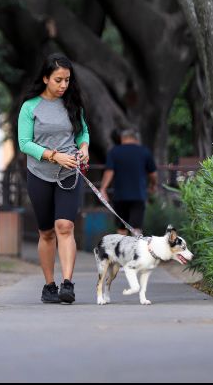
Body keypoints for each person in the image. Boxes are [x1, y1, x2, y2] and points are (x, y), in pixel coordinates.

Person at [17, 53, 90, 304]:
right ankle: (49, 285)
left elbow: (83, 133)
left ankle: (67, 283)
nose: (63, 86)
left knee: (65, 226)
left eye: (67, 80)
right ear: (46, 78)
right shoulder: (30, 107)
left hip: (70, 173)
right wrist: (54, 156)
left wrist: (84, 149)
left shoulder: (73, 103)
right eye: (58, 80)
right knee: (46, 232)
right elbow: (24, 143)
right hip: (39, 175)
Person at [99, 127, 157, 236]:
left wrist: (103, 188)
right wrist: (153, 185)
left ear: (122, 138)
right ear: (136, 139)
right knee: (136, 229)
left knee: (121, 229)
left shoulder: (114, 151)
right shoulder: (144, 151)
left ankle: (121, 252)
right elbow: (153, 174)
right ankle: (135, 252)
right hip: (138, 196)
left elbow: (109, 171)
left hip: (120, 196)